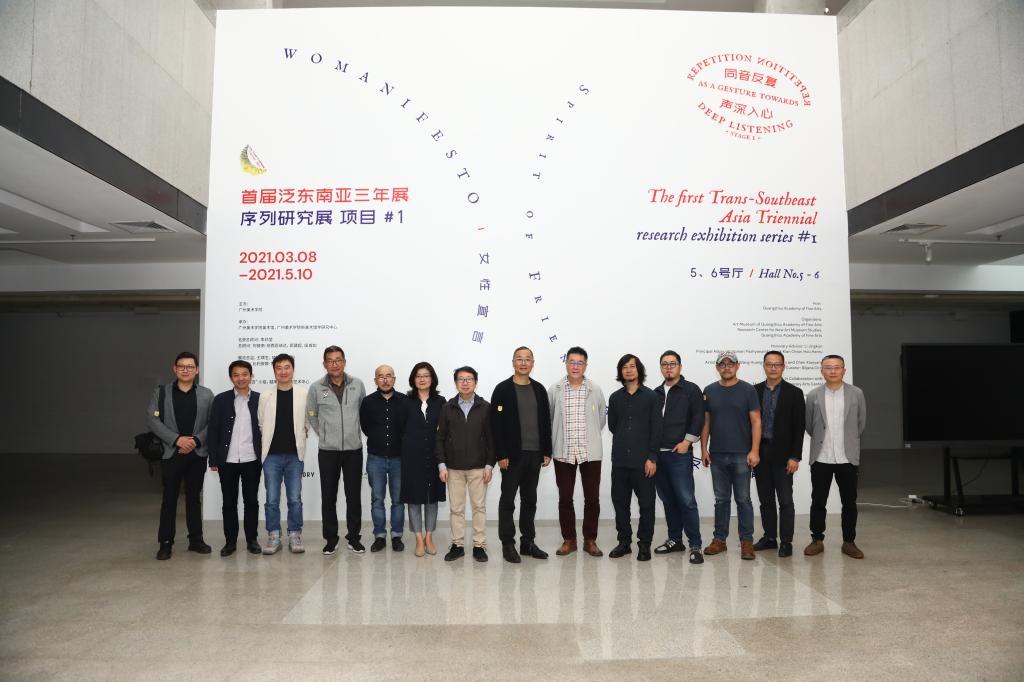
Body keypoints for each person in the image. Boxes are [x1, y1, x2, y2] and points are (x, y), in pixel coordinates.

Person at [148, 351, 214, 560]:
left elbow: (212, 422)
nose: (185, 370)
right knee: (169, 499)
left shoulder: (206, 394)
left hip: (196, 453)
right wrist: (177, 440)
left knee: (194, 498)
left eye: (190, 366)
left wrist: (195, 440)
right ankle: (165, 543)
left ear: (197, 370)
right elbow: (152, 420)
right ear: (174, 369)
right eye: (181, 366)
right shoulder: (162, 393)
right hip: (172, 452)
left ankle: (196, 540)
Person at [490, 346, 553, 564]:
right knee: (508, 500)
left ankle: (528, 542)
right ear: (513, 362)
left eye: (527, 359)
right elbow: (496, 424)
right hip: (511, 456)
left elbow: (546, 421)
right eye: (519, 359)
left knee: (530, 500)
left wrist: (547, 450)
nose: (523, 363)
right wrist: (500, 454)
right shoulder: (502, 390)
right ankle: (508, 544)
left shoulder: (539, 389)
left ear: (533, 363)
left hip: (535, 455)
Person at [804, 354, 868, 559]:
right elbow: (809, 425)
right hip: (821, 457)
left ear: (844, 370)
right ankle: (817, 539)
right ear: (822, 370)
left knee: (849, 502)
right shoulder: (813, 395)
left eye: (837, 367)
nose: (833, 371)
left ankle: (849, 542)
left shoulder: (856, 393)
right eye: (828, 367)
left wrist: (848, 441)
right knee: (818, 501)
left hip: (846, 458)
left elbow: (860, 424)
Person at [700, 351, 761, 560]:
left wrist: (754, 450)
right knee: (721, 500)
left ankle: (746, 541)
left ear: (737, 366)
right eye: (722, 364)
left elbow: (756, 422)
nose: (726, 367)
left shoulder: (748, 390)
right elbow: (706, 422)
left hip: (742, 454)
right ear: (717, 367)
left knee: (743, 500)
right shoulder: (709, 390)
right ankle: (720, 540)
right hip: (717, 455)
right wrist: (704, 449)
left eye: (730, 364)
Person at [306, 346, 367, 555]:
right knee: (328, 496)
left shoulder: (357, 384)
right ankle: (331, 539)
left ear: (344, 362)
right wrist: (324, 434)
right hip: (328, 451)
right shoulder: (316, 388)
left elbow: (364, 413)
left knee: (353, 496)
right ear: (324, 364)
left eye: (338, 360)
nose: (334, 364)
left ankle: (354, 538)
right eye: (330, 361)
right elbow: (312, 415)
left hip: (353, 450)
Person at [548, 346, 607, 557]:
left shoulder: (595, 389)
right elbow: (550, 418)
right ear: (566, 364)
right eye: (572, 362)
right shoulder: (555, 389)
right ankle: (569, 540)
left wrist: (589, 436)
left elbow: (601, 418)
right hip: (563, 452)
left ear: (586, 365)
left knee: (592, 499)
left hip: (590, 453)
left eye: (580, 362)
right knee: (565, 498)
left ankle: (590, 540)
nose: (575, 366)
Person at [652, 350, 706, 565]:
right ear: (661, 368)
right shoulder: (655, 393)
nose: (668, 367)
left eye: (672, 364)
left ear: (680, 367)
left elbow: (698, 417)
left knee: (686, 501)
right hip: (658, 456)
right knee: (668, 500)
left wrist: (687, 442)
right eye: (664, 364)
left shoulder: (691, 390)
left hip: (679, 455)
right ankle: (675, 540)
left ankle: (695, 545)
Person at [607, 354, 662, 562]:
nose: (628, 370)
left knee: (647, 505)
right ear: (620, 372)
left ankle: (644, 544)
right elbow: (613, 426)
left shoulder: (651, 397)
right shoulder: (615, 398)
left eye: (632, 366)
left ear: (639, 370)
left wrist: (652, 457)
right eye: (624, 367)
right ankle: (624, 542)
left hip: (644, 462)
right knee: (620, 504)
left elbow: (657, 429)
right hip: (620, 461)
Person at [436, 366, 494, 562]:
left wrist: (489, 465)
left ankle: (479, 546)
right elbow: (440, 438)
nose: (465, 383)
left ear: (476, 382)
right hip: (453, 468)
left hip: (479, 468)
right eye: (461, 379)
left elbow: (491, 439)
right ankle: (457, 545)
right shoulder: (447, 407)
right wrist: (442, 465)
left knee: (479, 507)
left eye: (469, 379)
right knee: (456, 509)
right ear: (455, 383)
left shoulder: (485, 407)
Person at [752, 351, 806, 558]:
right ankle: (770, 538)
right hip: (761, 451)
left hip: (784, 455)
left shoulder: (794, 393)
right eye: (769, 364)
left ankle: (786, 541)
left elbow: (799, 427)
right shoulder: (754, 390)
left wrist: (795, 456)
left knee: (785, 500)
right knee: (765, 499)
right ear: (764, 366)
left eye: (777, 364)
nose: (773, 368)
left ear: (783, 367)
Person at [207, 360, 262, 556]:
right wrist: (213, 459)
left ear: (251, 376)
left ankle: (252, 540)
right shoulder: (221, 400)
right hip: (227, 460)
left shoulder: (260, 399)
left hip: (252, 459)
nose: (241, 378)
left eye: (245, 374)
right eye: (236, 375)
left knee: (251, 502)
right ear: (231, 378)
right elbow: (213, 430)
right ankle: (230, 542)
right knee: (229, 503)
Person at [258, 353, 309, 555]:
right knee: (271, 498)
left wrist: (302, 435)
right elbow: (261, 423)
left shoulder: (303, 394)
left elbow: (308, 421)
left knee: (294, 498)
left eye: (287, 367)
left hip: (295, 456)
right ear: (274, 371)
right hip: (271, 456)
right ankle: (273, 535)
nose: (283, 371)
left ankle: (295, 534)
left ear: (293, 369)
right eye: (278, 368)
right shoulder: (266, 396)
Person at [400, 362, 446, 557]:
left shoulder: (441, 401)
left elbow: (444, 430)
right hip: (412, 457)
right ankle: (418, 539)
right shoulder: (405, 401)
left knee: (431, 499)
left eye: (426, 375)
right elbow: (400, 428)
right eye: (418, 376)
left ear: (432, 379)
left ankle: (429, 537)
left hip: (434, 456)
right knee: (414, 499)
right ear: (413, 379)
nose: (422, 379)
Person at [360, 365, 407, 552]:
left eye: (389, 376)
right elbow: (365, 427)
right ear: (375, 380)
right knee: (377, 499)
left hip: (399, 459)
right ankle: (379, 536)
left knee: (398, 500)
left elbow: (408, 427)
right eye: (381, 376)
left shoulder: (404, 401)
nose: (385, 380)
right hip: (376, 458)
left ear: (394, 379)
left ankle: (396, 535)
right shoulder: (368, 402)